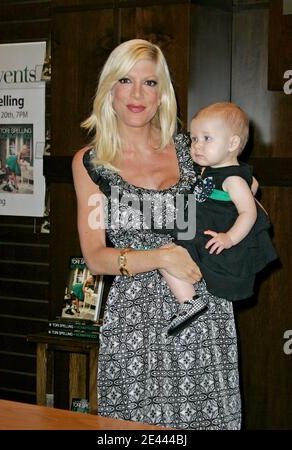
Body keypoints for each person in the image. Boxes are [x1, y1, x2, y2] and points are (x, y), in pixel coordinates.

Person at [72, 39, 242, 430]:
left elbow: (241, 202)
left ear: (162, 93)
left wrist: (243, 198)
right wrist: (163, 256)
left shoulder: (193, 150)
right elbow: (96, 256)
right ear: (109, 90)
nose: (136, 94)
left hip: (203, 310)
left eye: (149, 83)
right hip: (136, 323)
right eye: (125, 80)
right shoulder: (92, 162)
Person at [160, 102, 278, 335]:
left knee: (166, 255)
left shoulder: (233, 179)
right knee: (167, 254)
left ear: (233, 143)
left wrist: (230, 238)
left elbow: (249, 212)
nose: (197, 146)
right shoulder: (212, 169)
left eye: (206, 138)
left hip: (213, 235)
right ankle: (189, 300)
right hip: (198, 226)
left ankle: (189, 301)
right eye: (194, 139)